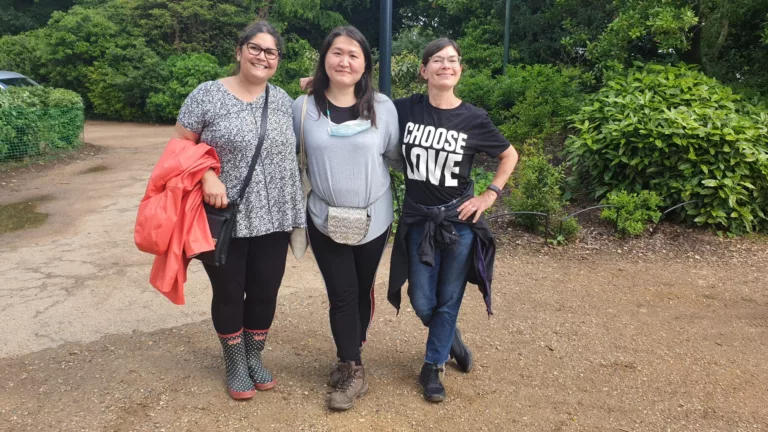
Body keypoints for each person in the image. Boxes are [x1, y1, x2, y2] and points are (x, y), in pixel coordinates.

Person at [173, 21, 305, 400]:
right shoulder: (207, 94)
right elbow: (180, 144)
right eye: (255, 48)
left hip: (275, 216)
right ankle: (234, 362)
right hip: (224, 216)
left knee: (265, 291)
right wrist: (206, 176)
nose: (262, 57)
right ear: (239, 51)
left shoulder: (282, 100)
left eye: (271, 52)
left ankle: (252, 356)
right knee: (229, 293)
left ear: (277, 60)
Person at [387, 38, 519, 403]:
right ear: (423, 70)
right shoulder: (405, 108)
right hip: (419, 219)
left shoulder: (474, 118)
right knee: (422, 300)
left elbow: (509, 155)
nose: (446, 65)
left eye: (453, 60)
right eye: (438, 60)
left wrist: (489, 195)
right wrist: (320, 84)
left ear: (459, 69)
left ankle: (433, 366)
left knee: (449, 297)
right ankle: (450, 338)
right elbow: (362, 100)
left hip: (459, 221)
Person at [292, 25, 401, 411]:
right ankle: (352, 367)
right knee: (341, 291)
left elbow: (396, 156)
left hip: (375, 215)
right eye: (337, 52)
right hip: (324, 216)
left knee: (362, 288)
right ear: (324, 58)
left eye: (354, 55)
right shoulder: (303, 108)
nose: (344, 61)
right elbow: (289, 155)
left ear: (365, 64)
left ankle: (351, 350)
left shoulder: (384, 108)